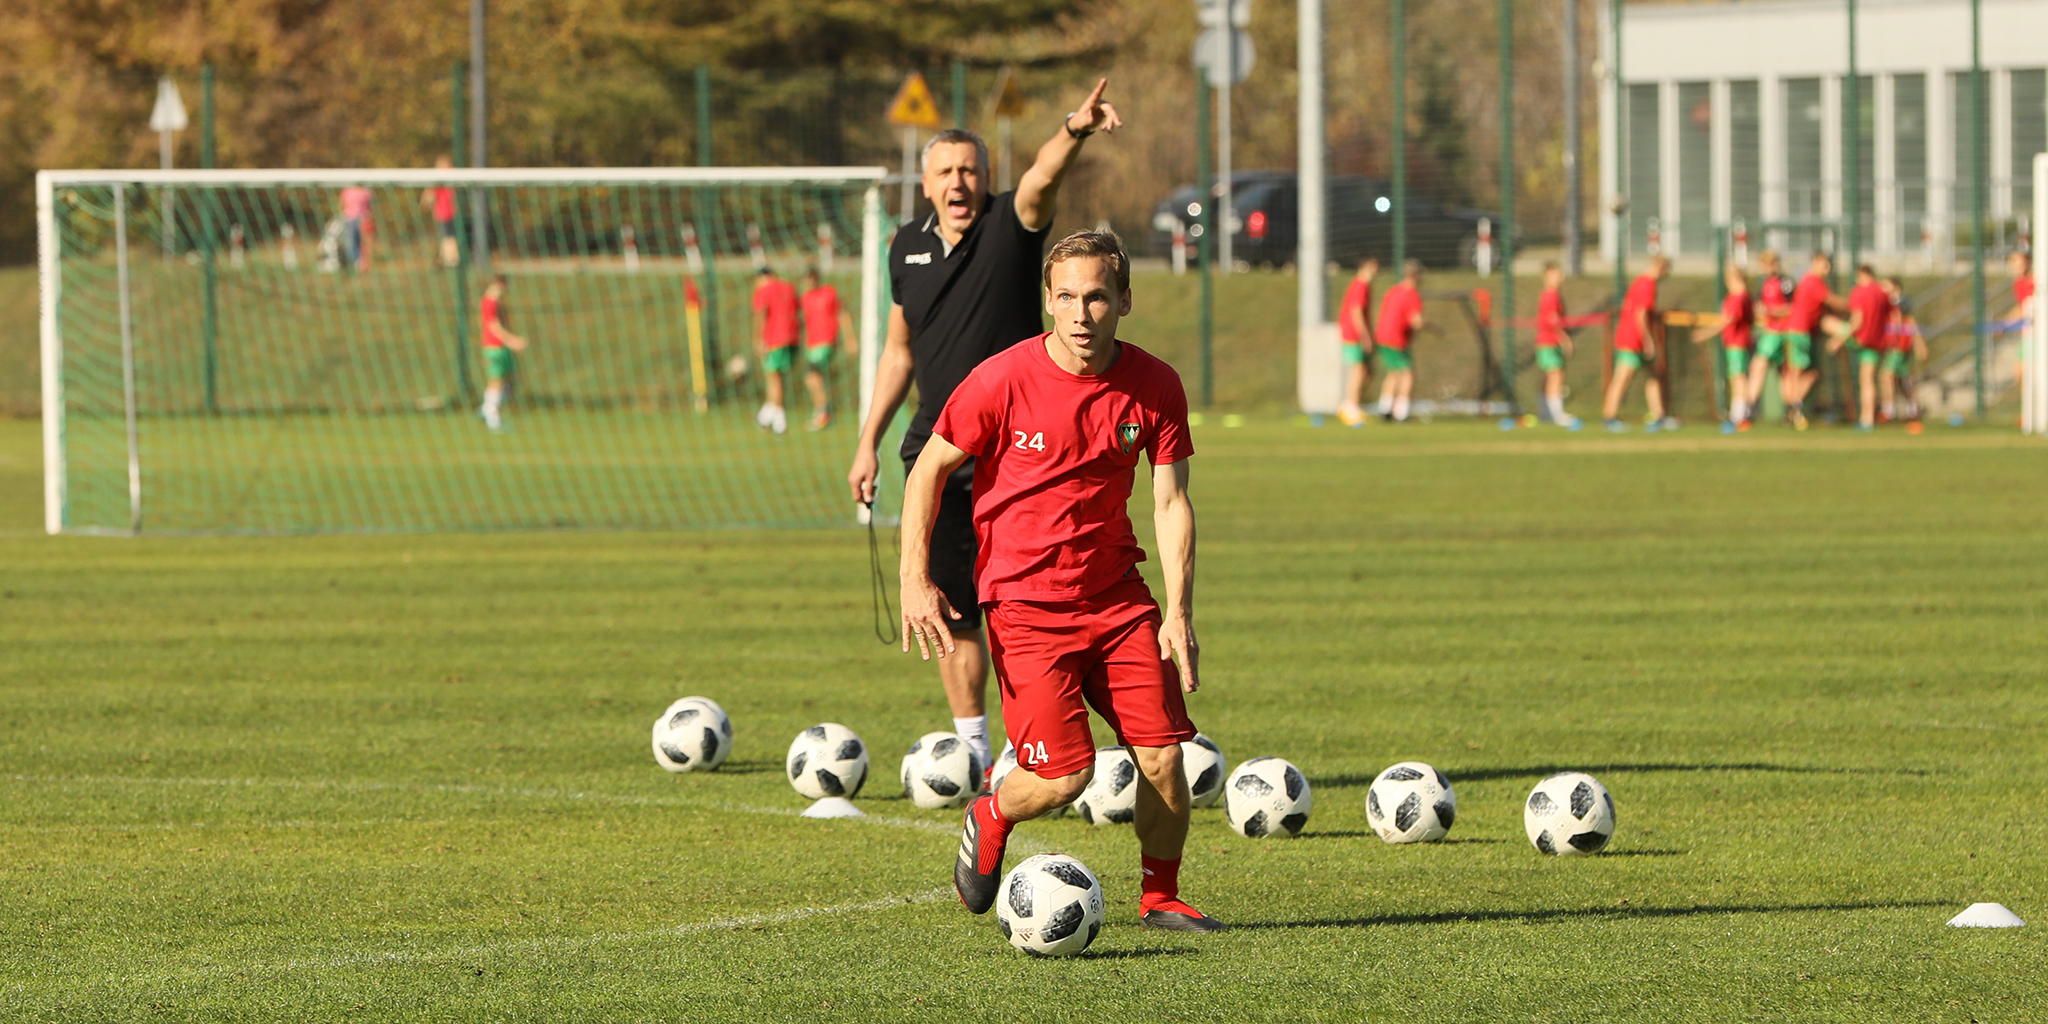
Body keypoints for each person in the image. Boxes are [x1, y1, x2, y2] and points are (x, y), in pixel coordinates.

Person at [899, 230, 1218, 933]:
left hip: (1118, 599)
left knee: (1164, 757)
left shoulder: (1156, 385)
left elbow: (1171, 502)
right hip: (1025, 604)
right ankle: (991, 811)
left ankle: (1160, 898)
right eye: (1067, 296)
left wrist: (1178, 612)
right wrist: (914, 578)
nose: (1081, 313)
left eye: (1097, 297)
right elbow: (928, 469)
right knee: (1063, 777)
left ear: (1124, 300)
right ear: (1048, 299)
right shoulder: (1001, 379)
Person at [847, 79, 1123, 774]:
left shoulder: (1011, 225)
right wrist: (867, 441)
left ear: (986, 177)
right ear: (925, 184)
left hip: (1016, 456)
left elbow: (1042, 177)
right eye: (945, 171)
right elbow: (899, 351)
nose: (958, 182)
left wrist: (1074, 128)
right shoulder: (905, 247)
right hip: (935, 454)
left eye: (970, 170)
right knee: (953, 609)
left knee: (1025, 606)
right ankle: (973, 750)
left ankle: (1033, 741)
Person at [1601, 254, 1669, 432]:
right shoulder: (1648, 284)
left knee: (1653, 377)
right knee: (1622, 379)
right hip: (1633, 339)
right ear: (1661, 267)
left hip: (1631, 336)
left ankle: (1659, 416)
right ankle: (1609, 417)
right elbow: (1640, 314)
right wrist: (1648, 340)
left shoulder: (1639, 281)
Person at [1784, 251, 1847, 429]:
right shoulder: (1812, 281)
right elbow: (1832, 300)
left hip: (1808, 332)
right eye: (1824, 264)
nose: (1827, 268)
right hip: (1799, 331)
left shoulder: (1814, 281)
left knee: (1812, 374)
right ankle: (1792, 408)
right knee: (1798, 371)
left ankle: (1794, 408)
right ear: (1814, 263)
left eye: (1829, 265)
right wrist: (1855, 307)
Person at [1829, 264, 1893, 431]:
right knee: (1869, 381)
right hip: (1877, 342)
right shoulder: (1882, 293)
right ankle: (1868, 419)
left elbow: (1857, 321)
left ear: (1860, 275)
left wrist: (1838, 340)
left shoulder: (1859, 292)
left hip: (1860, 339)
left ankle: (1866, 420)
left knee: (1826, 322)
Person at [1693, 262, 1754, 429]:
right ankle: (1740, 415)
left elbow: (1727, 320)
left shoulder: (1739, 297)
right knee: (1737, 377)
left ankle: (1739, 416)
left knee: (1738, 378)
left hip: (1738, 344)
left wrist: (1705, 333)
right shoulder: (1740, 296)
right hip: (1735, 344)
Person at [1745, 249, 1799, 426]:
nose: (1764, 268)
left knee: (1758, 366)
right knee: (1782, 373)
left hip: (1779, 332)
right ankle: (1793, 411)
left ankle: (1747, 411)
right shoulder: (1765, 283)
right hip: (1769, 330)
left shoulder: (1785, 283)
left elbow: (1793, 307)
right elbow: (1760, 305)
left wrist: (1772, 311)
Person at [798, 268, 850, 431]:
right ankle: (822, 411)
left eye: (811, 278)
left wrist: (850, 338)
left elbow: (842, 314)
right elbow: (805, 323)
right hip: (812, 344)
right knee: (812, 377)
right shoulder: (805, 298)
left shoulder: (829, 293)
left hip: (827, 341)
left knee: (812, 374)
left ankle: (823, 411)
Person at [751, 267, 802, 434]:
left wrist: (759, 339)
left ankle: (780, 423)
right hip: (793, 337)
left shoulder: (764, 290)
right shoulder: (789, 287)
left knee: (773, 378)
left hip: (774, 339)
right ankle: (765, 418)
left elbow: (760, 314)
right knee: (778, 378)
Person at [1373, 260, 1425, 422]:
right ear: (1415, 276)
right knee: (1408, 373)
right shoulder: (1411, 294)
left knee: (1393, 373)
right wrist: (1428, 325)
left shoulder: (1393, 291)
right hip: (1397, 339)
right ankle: (1402, 412)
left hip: (1382, 337)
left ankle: (1385, 408)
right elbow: (1416, 321)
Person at [477, 275, 529, 432]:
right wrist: (512, 341)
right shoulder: (489, 303)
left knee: (509, 382)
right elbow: (494, 326)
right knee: (496, 381)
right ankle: (492, 418)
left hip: (501, 347)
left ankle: (486, 409)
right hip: (494, 348)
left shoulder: (497, 303)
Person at [1532, 262, 1580, 428]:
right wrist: (1565, 340)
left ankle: (1545, 413)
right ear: (1547, 277)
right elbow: (1554, 320)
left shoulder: (1550, 294)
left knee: (1548, 377)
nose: (1561, 277)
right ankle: (1556, 414)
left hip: (1545, 342)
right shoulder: (1551, 295)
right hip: (1550, 342)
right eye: (1557, 274)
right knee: (1556, 375)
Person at [1336, 257, 1380, 427]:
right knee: (1358, 370)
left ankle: (1349, 404)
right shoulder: (1360, 285)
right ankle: (1351, 408)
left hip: (1355, 334)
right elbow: (1356, 311)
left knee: (1367, 371)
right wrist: (1365, 336)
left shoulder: (1363, 285)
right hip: (1353, 335)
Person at [1881, 276, 1927, 422]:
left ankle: (1888, 411)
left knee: (1886, 375)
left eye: (1885, 285)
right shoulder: (1886, 303)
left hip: (1898, 346)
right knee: (1903, 380)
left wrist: (1919, 344)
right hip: (1898, 347)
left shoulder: (1899, 302)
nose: (1882, 288)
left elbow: (1909, 322)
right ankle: (1912, 409)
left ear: (1895, 287)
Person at [420, 156, 459, 268]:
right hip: (443, 214)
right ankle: (449, 260)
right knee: (447, 236)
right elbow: (429, 196)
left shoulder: (451, 179)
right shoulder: (437, 183)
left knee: (449, 236)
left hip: (452, 213)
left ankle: (448, 259)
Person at [2009, 251, 2035, 398]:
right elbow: (2021, 307)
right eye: (2013, 263)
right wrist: (2007, 321)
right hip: (2027, 333)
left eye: (2019, 262)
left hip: (2038, 333)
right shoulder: (2018, 283)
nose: (2016, 266)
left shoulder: (2036, 280)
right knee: (2018, 375)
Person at [339, 185, 373, 273]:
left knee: (358, 242)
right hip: (354, 219)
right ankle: (359, 263)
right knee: (354, 242)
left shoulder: (365, 191)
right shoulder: (350, 191)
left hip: (360, 219)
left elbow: (342, 205)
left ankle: (361, 263)